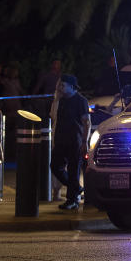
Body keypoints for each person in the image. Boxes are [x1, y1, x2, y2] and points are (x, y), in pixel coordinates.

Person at [51, 74, 90, 210]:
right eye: (60, 85)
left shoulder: (81, 101)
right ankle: (77, 188)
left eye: (63, 85)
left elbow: (86, 122)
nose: (61, 88)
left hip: (75, 141)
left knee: (74, 170)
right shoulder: (61, 100)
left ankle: (72, 200)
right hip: (61, 140)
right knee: (55, 166)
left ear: (72, 87)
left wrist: (85, 141)